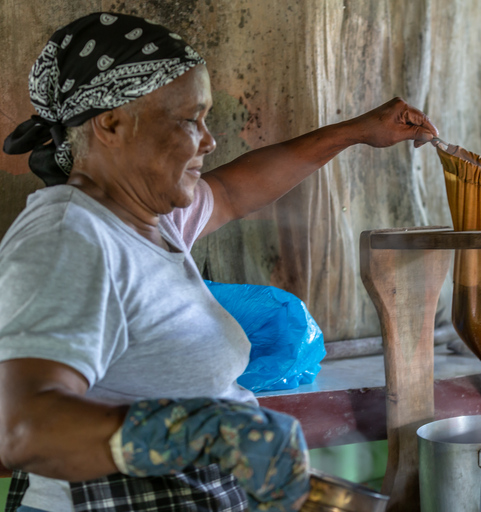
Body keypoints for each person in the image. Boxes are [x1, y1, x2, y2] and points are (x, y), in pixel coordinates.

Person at [0, 12, 438, 511]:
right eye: (190, 120)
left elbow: (232, 192)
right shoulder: (71, 241)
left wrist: (357, 131)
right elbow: (20, 429)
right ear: (112, 123)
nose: (209, 140)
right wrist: (209, 431)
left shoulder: (147, 221)